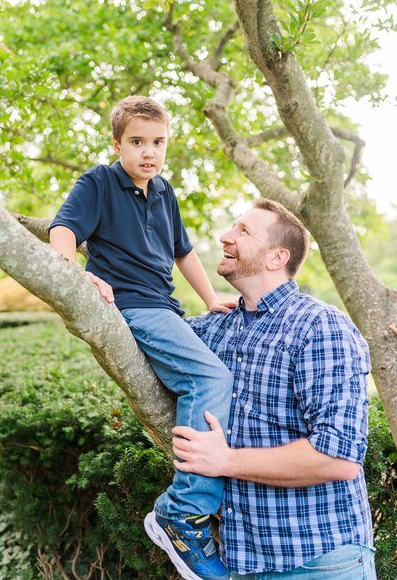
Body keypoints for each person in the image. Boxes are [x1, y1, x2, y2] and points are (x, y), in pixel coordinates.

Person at [49, 95, 235, 580]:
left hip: (168, 308)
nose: (148, 152)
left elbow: (184, 252)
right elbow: (63, 230)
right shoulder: (99, 182)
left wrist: (212, 299)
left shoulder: (164, 191)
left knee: (239, 355)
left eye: (158, 142)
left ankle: (223, 495)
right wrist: (75, 275)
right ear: (117, 144)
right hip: (135, 307)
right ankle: (185, 511)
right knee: (210, 376)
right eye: (136, 142)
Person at [172, 198, 376, 579]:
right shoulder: (218, 327)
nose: (224, 237)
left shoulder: (319, 327)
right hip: (240, 563)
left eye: (243, 231)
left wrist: (225, 461)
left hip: (319, 562)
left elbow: (339, 458)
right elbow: (140, 330)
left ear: (276, 258)